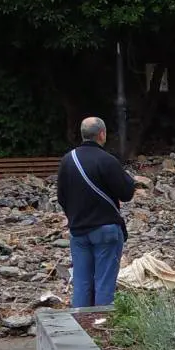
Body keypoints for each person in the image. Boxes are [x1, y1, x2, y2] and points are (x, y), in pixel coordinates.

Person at [56, 117, 136, 307]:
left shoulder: (68, 160)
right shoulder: (107, 160)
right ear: (102, 134)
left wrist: (75, 217)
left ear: (83, 135)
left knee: (81, 283)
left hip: (78, 231)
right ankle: (101, 322)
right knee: (104, 283)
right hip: (106, 229)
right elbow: (126, 193)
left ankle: (80, 322)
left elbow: (61, 197)